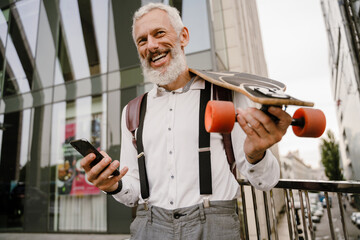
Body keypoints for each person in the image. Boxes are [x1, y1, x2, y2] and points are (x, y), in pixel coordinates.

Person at [80, 3, 292, 239]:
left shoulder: (227, 95)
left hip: (214, 225)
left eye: (159, 33)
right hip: (149, 226)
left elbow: (267, 181)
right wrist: (113, 185)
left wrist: (257, 155)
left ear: (183, 36)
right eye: (142, 40)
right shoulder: (132, 111)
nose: (151, 45)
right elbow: (133, 189)